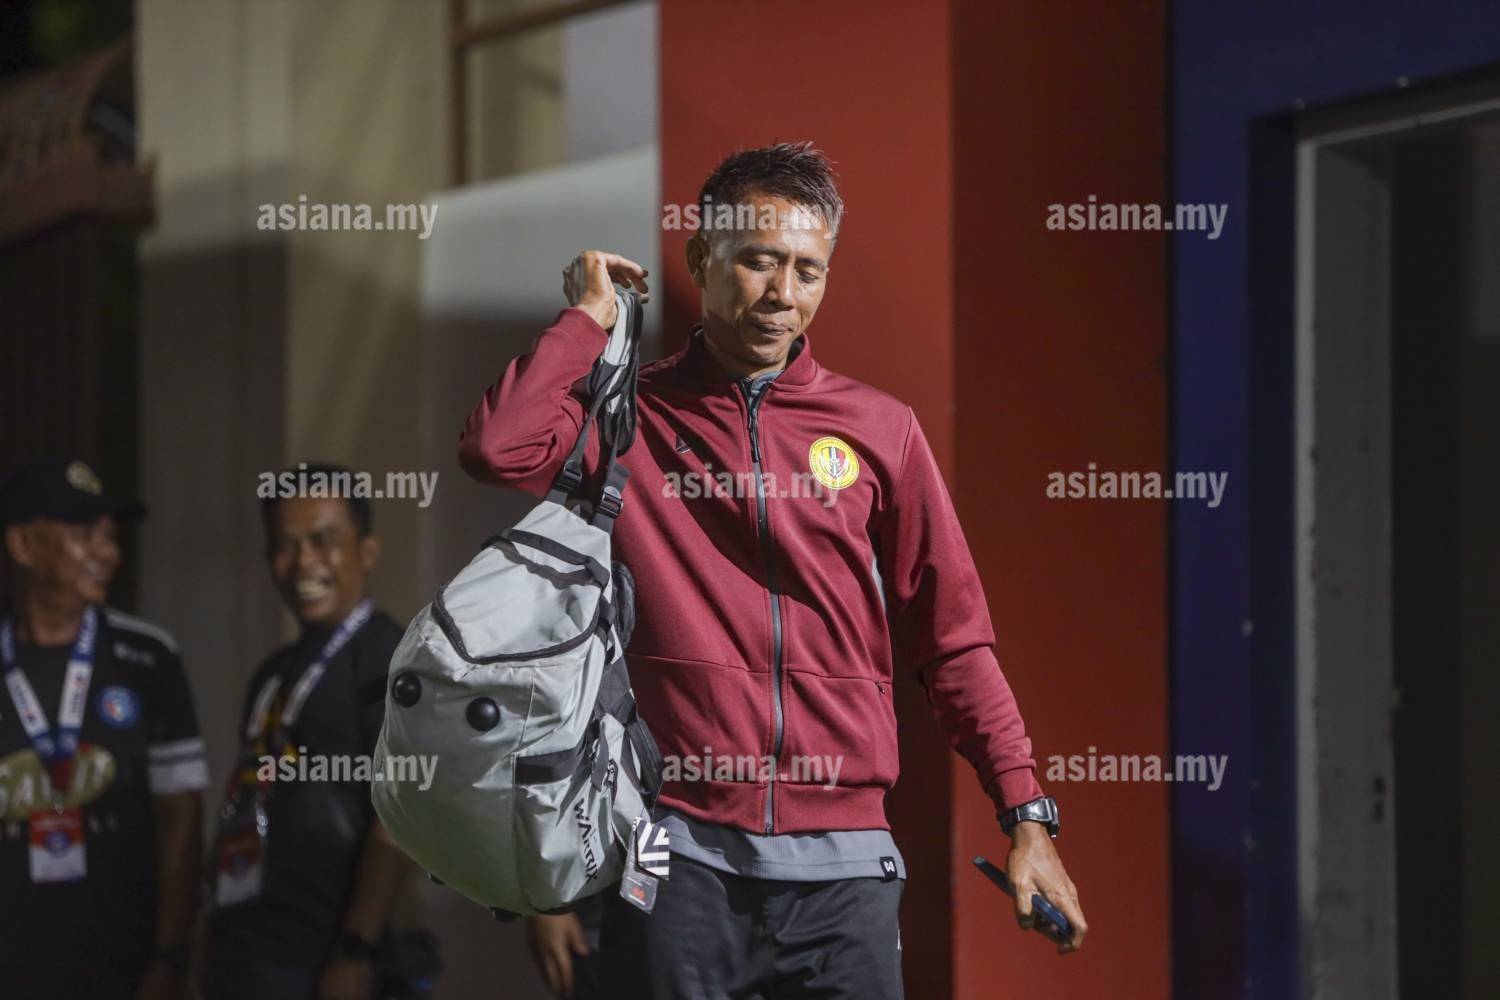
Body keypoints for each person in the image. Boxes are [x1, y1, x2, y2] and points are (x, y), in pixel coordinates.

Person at [459, 142, 1088, 999]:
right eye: (758, 261)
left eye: (807, 270)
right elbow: (494, 449)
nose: (782, 294)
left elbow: (953, 643)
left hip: (846, 869)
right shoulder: (627, 416)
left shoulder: (881, 430)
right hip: (673, 854)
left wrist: (1027, 816)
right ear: (700, 259)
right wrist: (586, 323)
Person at [0, 457, 209, 999]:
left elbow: (181, 815)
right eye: (83, 534)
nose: (107, 552)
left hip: (124, 969)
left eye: (110, 537)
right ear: (23, 545)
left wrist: (170, 957)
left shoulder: (148, 658)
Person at [202, 464, 413, 1000]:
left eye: (323, 541)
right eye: (285, 545)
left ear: (366, 551)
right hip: (248, 947)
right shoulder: (271, 674)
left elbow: (399, 818)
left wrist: (356, 949)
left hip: (323, 959)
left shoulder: (388, 660)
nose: (303, 563)